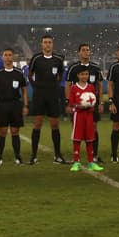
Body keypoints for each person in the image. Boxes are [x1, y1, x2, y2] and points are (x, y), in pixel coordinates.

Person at [27, 34, 68, 165]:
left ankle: (57, 155)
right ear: (42, 44)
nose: (47, 44)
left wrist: (54, 86)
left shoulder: (58, 59)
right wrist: (36, 86)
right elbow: (30, 75)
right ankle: (33, 156)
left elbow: (60, 74)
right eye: (45, 42)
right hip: (39, 95)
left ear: (52, 44)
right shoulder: (36, 58)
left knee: (55, 125)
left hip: (52, 95)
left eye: (49, 42)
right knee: (37, 124)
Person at [65, 43, 104, 164]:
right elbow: (68, 85)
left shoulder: (95, 67)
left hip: (92, 105)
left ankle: (94, 156)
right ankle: (76, 157)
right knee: (77, 129)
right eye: (83, 50)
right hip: (77, 107)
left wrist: (101, 102)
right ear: (79, 52)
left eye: (88, 50)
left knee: (93, 129)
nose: (86, 52)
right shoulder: (73, 68)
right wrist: (68, 102)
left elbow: (100, 85)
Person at [0, 48, 27, 165]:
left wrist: (25, 105)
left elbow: (24, 91)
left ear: (13, 57)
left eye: (10, 55)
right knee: (2, 131)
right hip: (2, 105)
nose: (8, 57)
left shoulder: (19, 73)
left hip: (15, 104)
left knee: (15, 131)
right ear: (3, 57)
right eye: (5, 55)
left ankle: (18, 157)